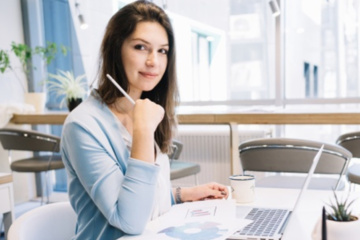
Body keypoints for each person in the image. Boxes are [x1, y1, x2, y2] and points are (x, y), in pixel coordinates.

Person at [60, 1, 229, 239]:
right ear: (115, 49)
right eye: (141, 47)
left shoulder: (146, 109)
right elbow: (130, 219)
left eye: (162, 50)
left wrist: (181, 194)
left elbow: (140, 195)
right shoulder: (83, 125)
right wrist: (143, 131)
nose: (154, 61)